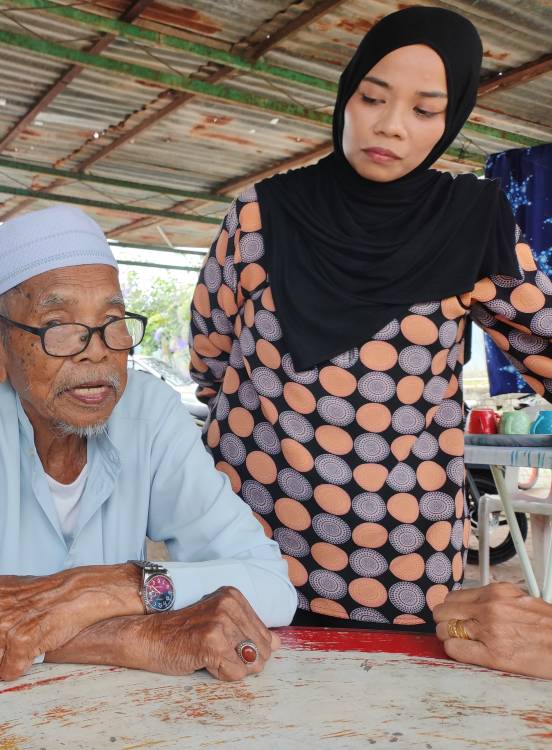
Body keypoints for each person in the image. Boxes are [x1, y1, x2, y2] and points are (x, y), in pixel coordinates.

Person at [190, 6, 552, 631]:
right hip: (245, 547)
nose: (390, 126)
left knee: (389, 718)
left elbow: (545, 338)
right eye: (372, 97)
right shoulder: (259, 216)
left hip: (401, 566)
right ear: (346, 95)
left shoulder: (471, 223)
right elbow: (211, 358)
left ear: (451, 117)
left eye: (424, 109)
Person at [0, 205, 296, 684]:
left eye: (113, 319)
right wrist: (121, 637)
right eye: (59, 326)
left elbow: (273, 587)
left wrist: (111, 587)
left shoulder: (148, 408)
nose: (98, 349)